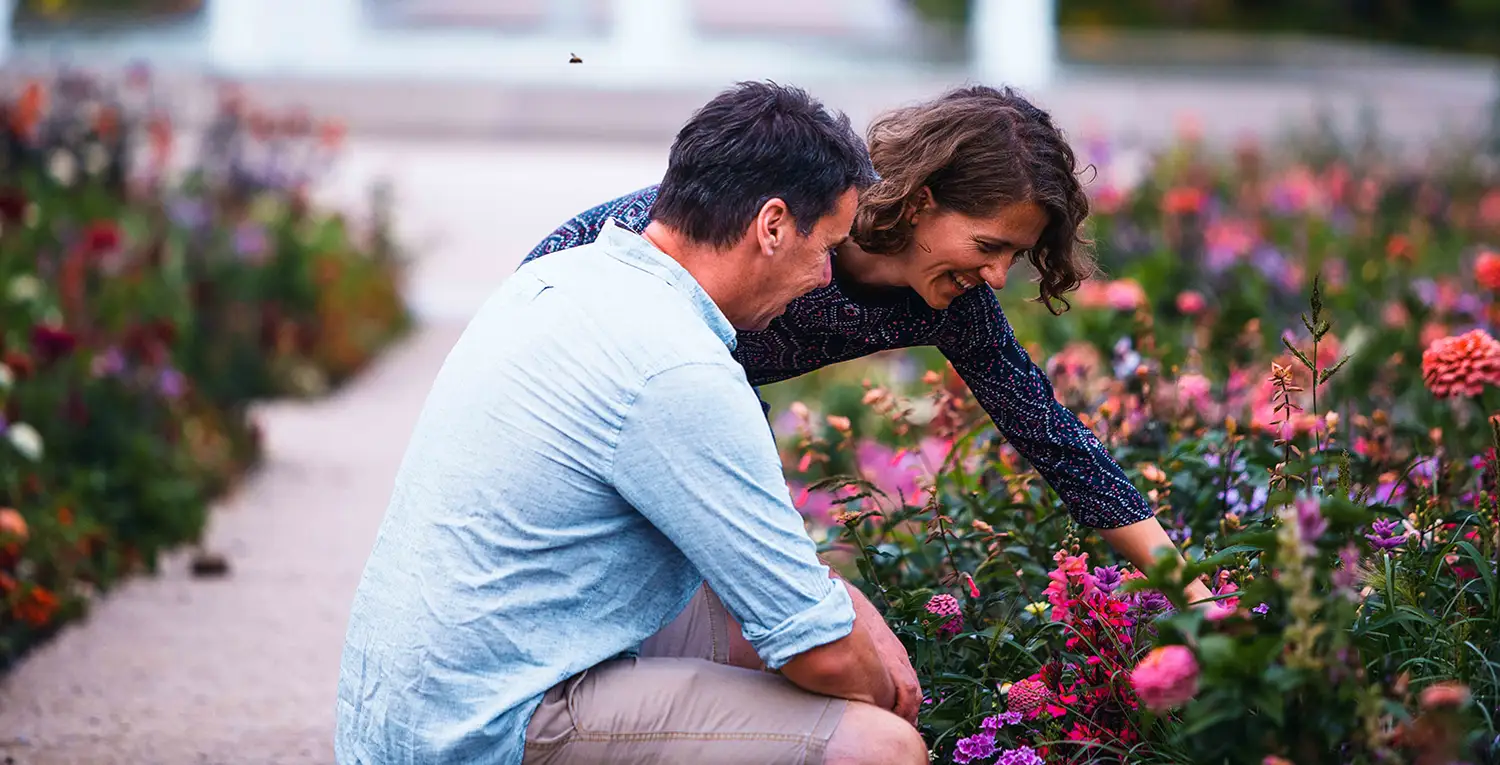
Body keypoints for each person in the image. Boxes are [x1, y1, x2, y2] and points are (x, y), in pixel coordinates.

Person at [335, 81, 928, 765]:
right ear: (770, 226)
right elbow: (819, 653)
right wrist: (888, 692)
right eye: (824, 245)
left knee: (754, 629)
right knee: (875, 747)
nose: (826, 276)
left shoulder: (559, 280)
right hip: (484, 731)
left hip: (411, 711)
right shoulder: (677, 367)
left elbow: (778, 596)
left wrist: (838, 600)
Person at [523, 84, 1217, 606]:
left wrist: (1193, 593)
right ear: (919, 203)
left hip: (698, 394)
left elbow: (1056, 440)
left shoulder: (951, 303)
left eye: (1018, 256)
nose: (998, 276)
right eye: (988, 246)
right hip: (576, 345)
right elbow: (663, 259)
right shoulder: (807, 220)